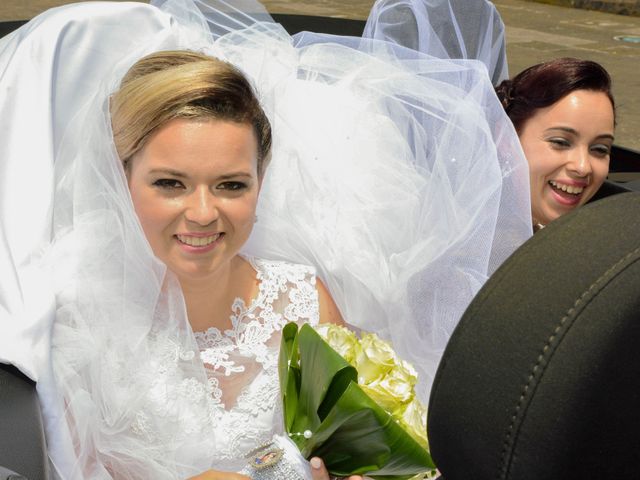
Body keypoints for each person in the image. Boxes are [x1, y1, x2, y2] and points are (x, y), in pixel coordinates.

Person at [0, 0, 532, 478]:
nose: (204, 213)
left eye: (231, 185)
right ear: (120, 180)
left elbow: (370, 452)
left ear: (262, 179)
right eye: (170, 184)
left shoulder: (302, 300)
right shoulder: (77, 325)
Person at [495, 58, 616, 231]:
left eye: (599, 149)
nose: (583, 167)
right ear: (507, 140)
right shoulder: (473, 249)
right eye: (560, 142)